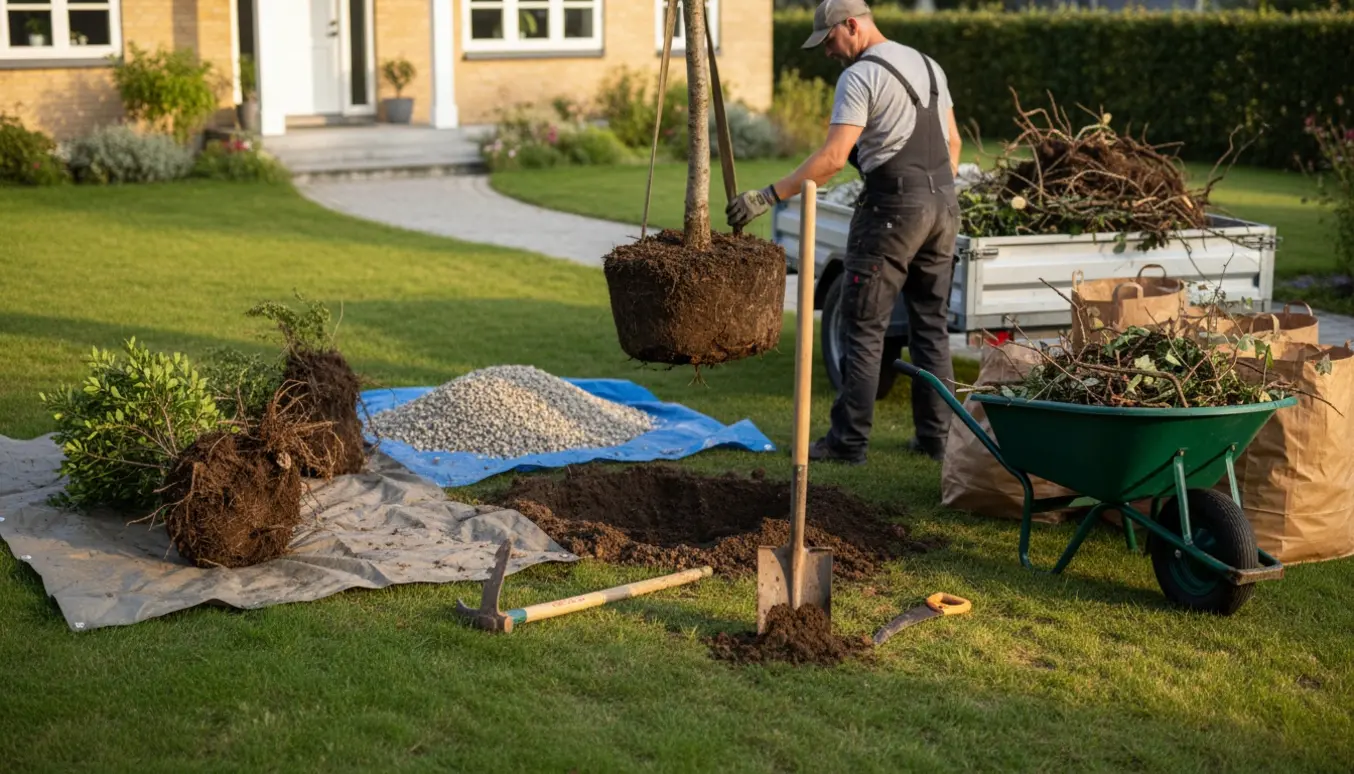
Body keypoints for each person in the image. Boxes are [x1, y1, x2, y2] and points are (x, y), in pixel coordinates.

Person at [726, 0, 961, 465]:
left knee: (863, 325)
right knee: (930, 326)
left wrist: (768, 196)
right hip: (943, 206)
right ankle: (938, 439)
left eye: (830, 40)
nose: (829, 52)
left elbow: (834, 158)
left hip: (892, 211)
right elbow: (952, 142)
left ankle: (848, 442)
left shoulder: (860, 77)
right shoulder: (927, 64)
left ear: (851, 25)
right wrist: (931, 193)